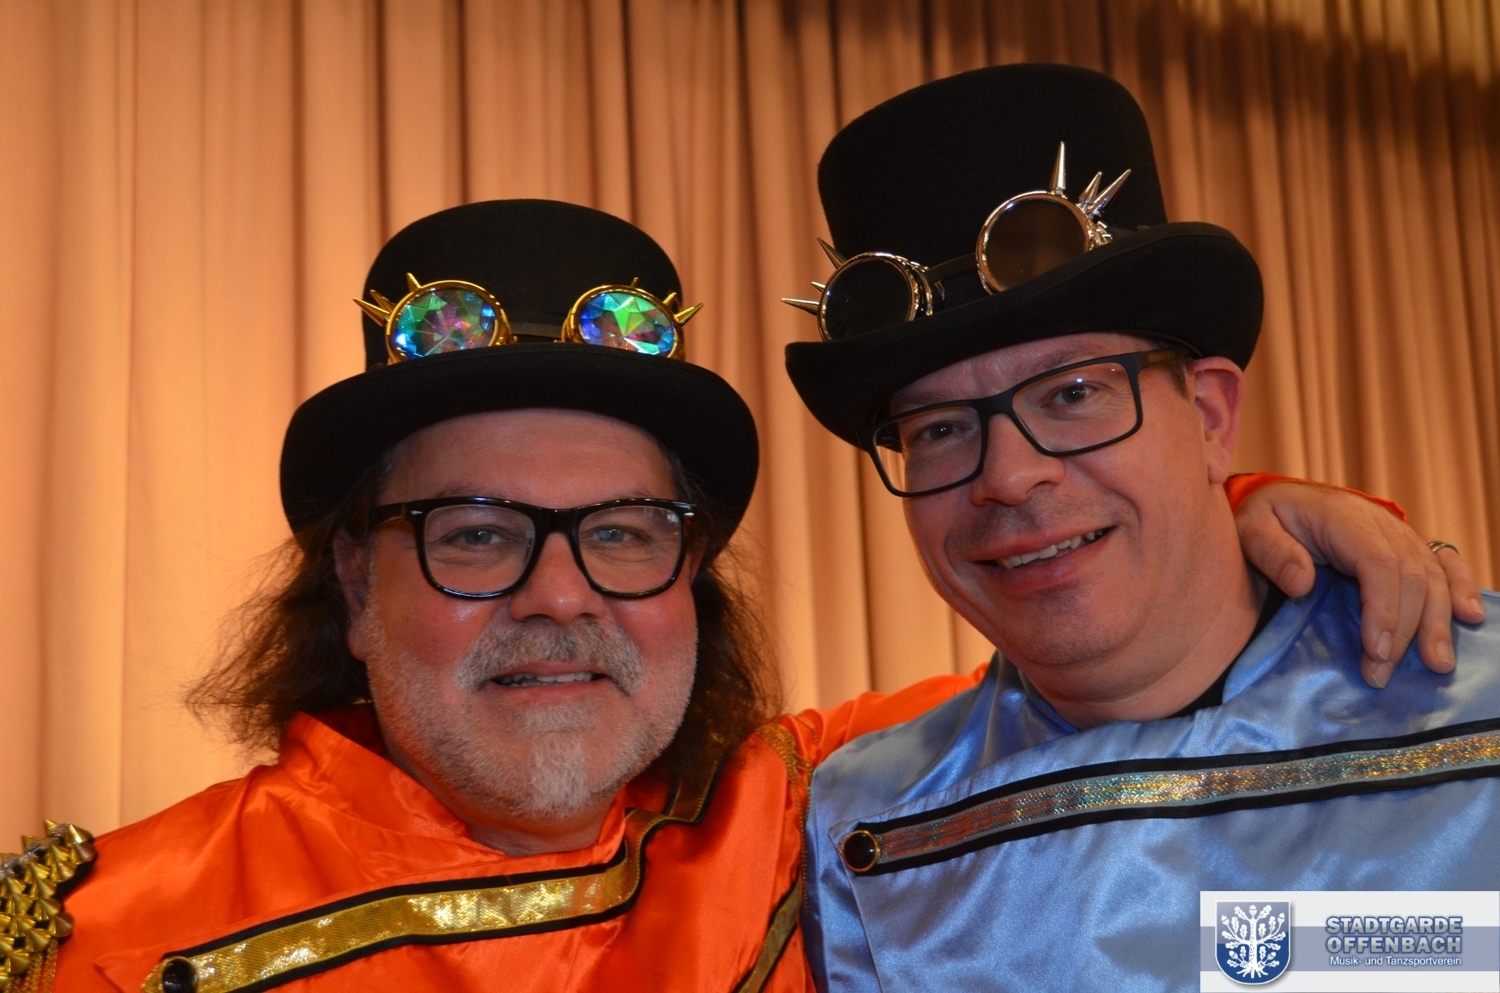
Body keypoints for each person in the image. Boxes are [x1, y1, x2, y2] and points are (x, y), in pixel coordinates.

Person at [30, 198, 1468, 993]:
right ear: (354, 581)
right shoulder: (113, 937)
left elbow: (1124, 647)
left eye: (623, 534)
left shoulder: (811, 819)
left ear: (692, 583)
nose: (559, 597)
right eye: (474, 535)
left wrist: (1252, 517)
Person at [785, 64, 1498, 992]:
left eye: (1073, 392)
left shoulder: (1475, 718)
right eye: (939, 430)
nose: (1008, 477)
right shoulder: (860, 827)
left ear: (1209, 416)